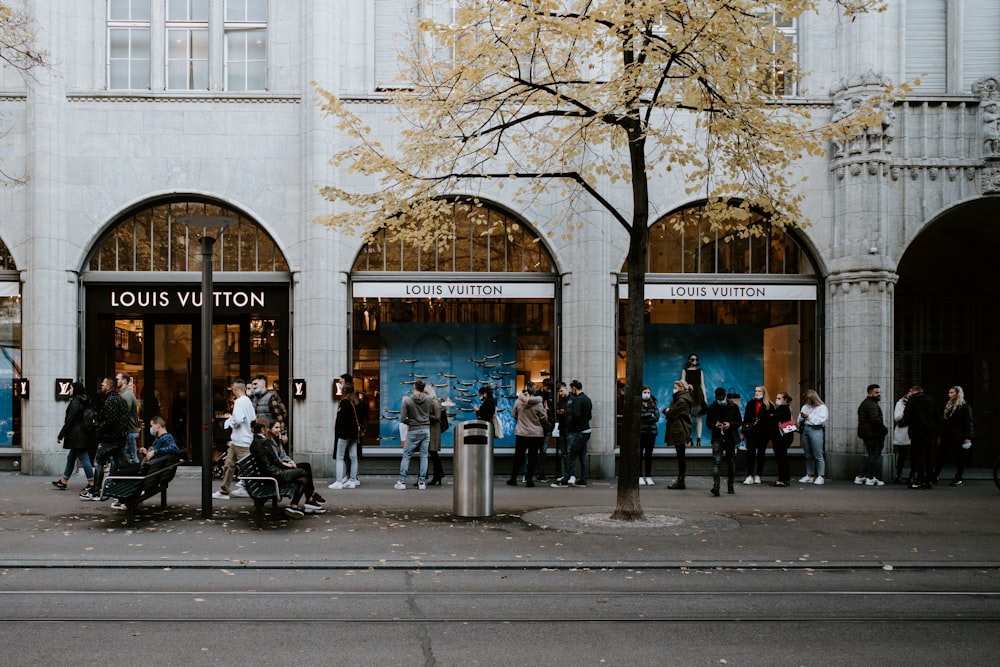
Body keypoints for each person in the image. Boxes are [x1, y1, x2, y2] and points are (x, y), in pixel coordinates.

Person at [249, 418, 322, 518]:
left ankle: (295, 505)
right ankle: (306, 500)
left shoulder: (258, 441)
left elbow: (274, 460)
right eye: (266, 428)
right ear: (262, 429)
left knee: (303, 478)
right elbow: (275, 461)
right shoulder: (264, 442)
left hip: (271, 473)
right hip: (275, 474)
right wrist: (287, 465)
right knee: (304, 472)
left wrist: (287, 464)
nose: (268, 430)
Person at [81, 376, 130, 501]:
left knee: (99, 462)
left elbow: (110, 421)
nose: (101, 386)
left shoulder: (110, 401)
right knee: (121, 464)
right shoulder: (121, 400)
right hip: (120, 439)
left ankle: (96, 490)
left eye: (103, 384)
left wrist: (98, 427)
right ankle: (125, 488)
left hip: (110, 439)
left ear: (108, 386)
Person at [213, 379, 256, 500]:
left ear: (235, 389)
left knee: (236, 466)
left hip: (240, 440)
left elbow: (237, 419)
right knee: (229, 464)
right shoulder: (248, 401)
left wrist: (228, 423)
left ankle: (246, 488)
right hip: (243, 439)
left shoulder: (239, 402)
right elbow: (252, 418)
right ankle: (224, 490)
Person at [53, 381, 95, 493]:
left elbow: (69, 421)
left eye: (71, 388)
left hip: (77, 436)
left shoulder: (75, 402)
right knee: (71, 458)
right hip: (83, 434)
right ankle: (63, 481)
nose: (69, 390)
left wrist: (60, 435)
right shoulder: (86, 400)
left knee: (84, 458)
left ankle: (92, 483)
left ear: (75, 390)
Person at [551, 379, 592, 487]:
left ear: (574, 388)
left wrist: (567, 414)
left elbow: (576, 415)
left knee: (571, 455)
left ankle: (566, 479)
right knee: (582, 456)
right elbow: (589, 416)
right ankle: (583, 479)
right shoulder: (587, 399)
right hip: (586, 429)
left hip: (578, 431)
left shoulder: (577, 399)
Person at [933, 386, 974, 486]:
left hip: (958, 436)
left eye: (952, 392)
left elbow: (968, 422)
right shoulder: (948, 406)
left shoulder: (964, 406)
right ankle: (935, 475)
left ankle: (959, 478)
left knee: (958, 457)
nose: (949, 394)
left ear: (957, 393)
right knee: (940, 456)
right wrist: (939, 435)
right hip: (947, 435)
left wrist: (967, 437)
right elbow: (943, 422)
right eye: (949, 392)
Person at [508, 382, 546, 487]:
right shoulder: (538, 403)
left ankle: (513, 478)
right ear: (534, 390)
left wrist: (521, 420)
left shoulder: (518, 402)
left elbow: (513, 414)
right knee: (532, 457)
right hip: (535, 433)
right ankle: (529, 480)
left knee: (518, 456)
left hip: (521, 432)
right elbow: (543, 417)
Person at [902, 384, 940, 489]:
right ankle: (928, 480)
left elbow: (907, 417)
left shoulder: (912, 401)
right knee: (929, 456)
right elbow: (937, 416)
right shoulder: (930, 400)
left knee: (918, 457)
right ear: (921, 390)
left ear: (912, 390)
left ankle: (919, 480)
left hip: (916, 432)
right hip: (929, 432)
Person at [396, 379, 431, 490]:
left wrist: (410, 422)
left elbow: (402, 418)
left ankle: (402, 482)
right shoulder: (429, 399)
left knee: (406, 456)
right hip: (425, 430)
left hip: (413, 430)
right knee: (424, 456)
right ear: (423, 388)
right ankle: (422, 483)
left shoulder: (407, 400)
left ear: (414, 388)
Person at [706, 387, 742, 495]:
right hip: (718, 437)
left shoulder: (733, 407)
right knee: (717, 462)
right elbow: (708, 422)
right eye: (719, 399)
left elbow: (739, 421)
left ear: (725, 396)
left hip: (730, 437)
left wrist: (730, 424)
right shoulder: (712, 407)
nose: (720, 401)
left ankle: (730, 486)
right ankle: (716, 487)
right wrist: (715, 425)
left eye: (722, 398)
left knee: (730, 461)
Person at [855, 384, 889, 486]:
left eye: (879, 392)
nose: (879, 394)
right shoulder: (871, 404)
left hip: (868, 434)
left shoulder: (866, 403)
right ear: (870, 393)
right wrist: (884, 430)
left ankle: (861, 477)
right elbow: (875, 420)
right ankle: (870, 477)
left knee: (871, 456)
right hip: (873, 434)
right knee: (874, 455)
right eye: (876, 392)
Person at [663, 380, 695, 489]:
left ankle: (681, 480)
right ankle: (680, 479)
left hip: (680, 430)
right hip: (680, 429)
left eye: (675, 387)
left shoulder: (682, 400)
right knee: (680, 455)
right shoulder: (681, 399)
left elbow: (671, 413)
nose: (674, 389)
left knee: (681, 456)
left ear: (681, 388)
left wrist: (667, 411)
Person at [331, 383, 362, 490]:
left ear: (344, 391)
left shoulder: (344, 403)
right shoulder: (354, 402)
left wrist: (337, 431)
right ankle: (352, 480)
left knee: (340, 457)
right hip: (353, 434)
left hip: (344, 434)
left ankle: (339, 482)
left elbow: (340, 419)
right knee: (354, 457)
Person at [742, 385, 775, 485]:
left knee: (761, 454)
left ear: (764, 393)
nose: (757, 393)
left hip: (763, 434)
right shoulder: (750, 403)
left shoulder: (769, 405)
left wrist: (771, 435)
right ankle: (749, 475)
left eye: (759, 391)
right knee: (750, 454)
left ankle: (758, 475)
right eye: (756, 391)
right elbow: (746, 418)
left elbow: (772, 422)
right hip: (751, 433)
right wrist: (743, 432)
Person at [797, 389, 829, 485]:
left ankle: (821, 476)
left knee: (818, 454)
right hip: (806, 429)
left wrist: (808, 416)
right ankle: (809, 475)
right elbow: (799, 419)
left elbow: (820, 421)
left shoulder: (822, 407)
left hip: (816, 429)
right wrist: (803, 416)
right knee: (808, 454)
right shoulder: (805, 406)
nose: (807, 402)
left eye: (809, 399)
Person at [680, 354, 707, 446]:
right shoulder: (685, 370)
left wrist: (705, 398)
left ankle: (698, 440)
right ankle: (689, 438)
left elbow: (702, 384)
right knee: (689, 416)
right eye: (692, 359)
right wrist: (687, 386)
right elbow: (682, 381)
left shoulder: (700, 371)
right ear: (689, 360)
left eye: (696, 359)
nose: (694, 360)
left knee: (699, 417)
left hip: (698, 394)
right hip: (689, 393)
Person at [116, 372, 141, 464]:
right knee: (129, 457)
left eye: (117, 379)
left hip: (129, 432)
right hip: (128, 431)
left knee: (132, 457)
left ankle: (138, 476)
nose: (115, 381)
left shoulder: (127, 395)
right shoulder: (124, 394)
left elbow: (123, 414)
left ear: (124, 381)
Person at [771, 392, 795, 487]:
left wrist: (771, 416)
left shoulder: (783, 409)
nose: (777, 400)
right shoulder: (787, 409)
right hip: (785, 436)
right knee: (783, 458)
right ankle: (785, 479)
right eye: (777, 398)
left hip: (781, 437)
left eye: (779, 398)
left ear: (785, 400)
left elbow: (775, 419)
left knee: (781, 458)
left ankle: (782, 479)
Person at [892, 388, 914, 484]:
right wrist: (905, 412)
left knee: (914, 456)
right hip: (903, 432)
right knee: (902, 455)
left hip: (913, 432)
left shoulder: (916, 403)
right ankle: (898, 474)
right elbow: (896, 417)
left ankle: (912, 475)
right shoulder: (900, 403)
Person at [638, 385, 659, 486]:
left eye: (648, 392)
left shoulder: (653, 402)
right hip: (641, 433)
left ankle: (648, 476)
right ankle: (640, 476)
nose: (647, 394)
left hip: (651, 433)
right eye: (645, 392)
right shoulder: (637, 403)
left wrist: (647, 417)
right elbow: (638, 416)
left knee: (649, 455)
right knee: (639, 455)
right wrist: (649, 415)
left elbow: (656, 416)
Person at [425, 385, 445, 486]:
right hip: (430, 431)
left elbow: (437, 417)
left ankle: (438, 476)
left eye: (425, 393)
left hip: (433, 432)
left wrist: (425, 416)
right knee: (433, 454)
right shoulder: (431, 402)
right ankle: (439, 475)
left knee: (433, 454)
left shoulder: (435, 402)